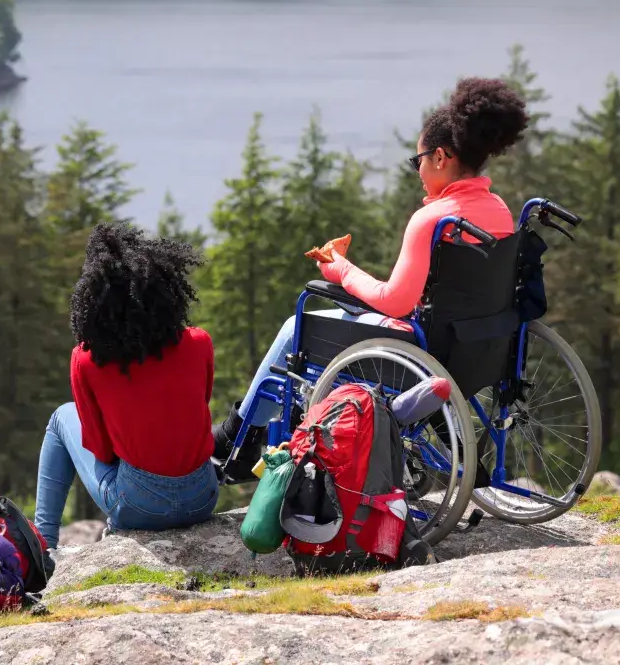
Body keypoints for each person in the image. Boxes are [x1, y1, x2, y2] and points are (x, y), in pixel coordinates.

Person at [212, 77, 529, 475]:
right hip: (481, 347)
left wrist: (340, 269)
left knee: (296, 327)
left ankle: (237, 439)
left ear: (441, 157)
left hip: (423, 352)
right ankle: (240, 435)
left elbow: (397, 301)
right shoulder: (498, 211)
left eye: (419, 161)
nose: (417, 171)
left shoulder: (431, 219)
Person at [33, 223, 220, 549]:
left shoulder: (87, 360)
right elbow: (195, 414)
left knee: (61, 417)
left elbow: (101, 450)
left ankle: (44, 546)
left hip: (138, 506)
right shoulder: (199, 342)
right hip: (203, 498)